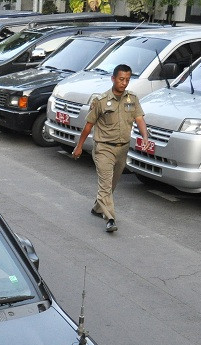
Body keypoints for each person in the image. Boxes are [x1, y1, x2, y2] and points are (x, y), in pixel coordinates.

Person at [72, 64, 149, 234]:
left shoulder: (132, 99)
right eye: (121, 79)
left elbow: (139, 119)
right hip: (103, 148)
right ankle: (110, 219)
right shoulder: (101, 101)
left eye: (127, 80)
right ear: (113, 79)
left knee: (112, 184)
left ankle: (98, 208)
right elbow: (88, 125)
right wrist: (79, 146)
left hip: (122, 149)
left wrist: (145, 137)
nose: (124, 83)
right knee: (106, 184)